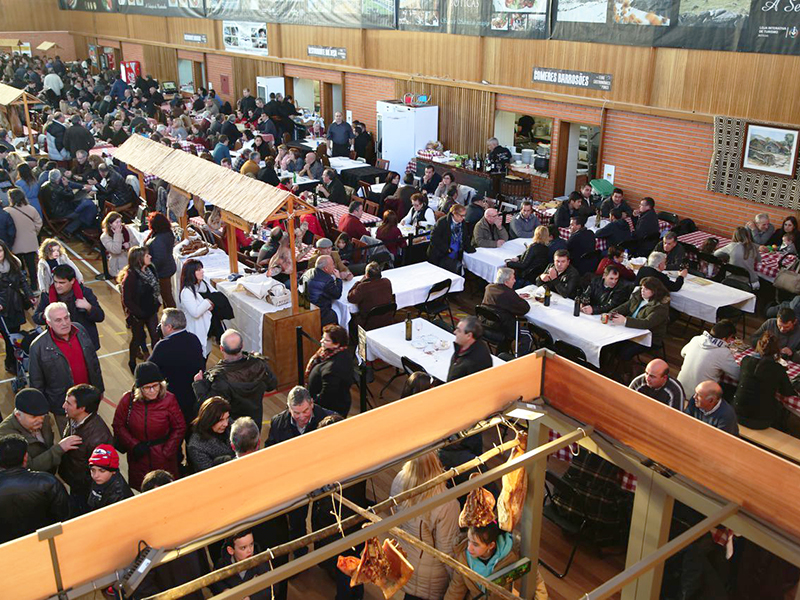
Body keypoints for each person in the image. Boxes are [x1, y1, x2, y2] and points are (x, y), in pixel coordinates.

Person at [390, 452, 460, 600]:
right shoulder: (446, 503)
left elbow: (395, 517)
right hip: (431, 576)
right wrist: (458, 581)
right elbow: (446, 550)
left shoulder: (399, 480)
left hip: (406, 560)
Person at [29, 303, 104, 433]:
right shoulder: (38, 347)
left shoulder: (80, 330)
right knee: (70, 441)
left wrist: (100, 389)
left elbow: (93, 362)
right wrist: (41, 411)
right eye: (58, 320)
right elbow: (36, 383)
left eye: (66, 317)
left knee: (91, 434)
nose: (64, 323)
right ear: (48, 322)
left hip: (88, 398)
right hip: (62, 405)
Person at [113, 362, 186, 491]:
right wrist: (133, 445)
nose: (152, 391)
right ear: (139, 388)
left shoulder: (169, 400)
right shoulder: (127, 400)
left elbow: (180, 427)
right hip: (138, 457)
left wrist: (167, 451)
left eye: (155, 386)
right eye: (147, 387)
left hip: (163, 458)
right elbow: (118, 425)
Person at [193, 329, 277, 428]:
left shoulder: (220, 379)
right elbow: (272, 385)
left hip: (232, 427)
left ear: (221, 348)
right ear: (242, 346)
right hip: (254, 422)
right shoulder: (259, 365)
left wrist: (198, 384)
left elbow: (210, 407)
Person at [0, 433, 69, 544]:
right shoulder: (47, 482)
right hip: (47, 544)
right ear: (26, 457)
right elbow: (65, 516)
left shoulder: (47, 482)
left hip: (7, 552)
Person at [59, 384, 113, 513]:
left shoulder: (99, 437)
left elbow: (100, 474)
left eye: (68, 403)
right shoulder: (74, 419)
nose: (63, 406)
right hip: (75, 483)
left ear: (82, 408)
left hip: (85, 491)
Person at [0, 388, 81, 474]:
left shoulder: (43, 417)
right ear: (18, 415)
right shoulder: (5, 435)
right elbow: (27, 468)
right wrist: (59, 448)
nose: (40, 420)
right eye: (34, 417)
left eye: (42, 415)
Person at [150, 308, 206, 426]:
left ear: (169, 327)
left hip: (173, 400)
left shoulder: (163, 346)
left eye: (162, 324)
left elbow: (149, 370)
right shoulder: (194, 339)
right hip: (193, 396)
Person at [443, 522, 524, 600]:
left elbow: (523, 588)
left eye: (475, 544)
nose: (469, 548)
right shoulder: (464, 559)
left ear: (491, 545)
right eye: (469, 540)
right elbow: (456, 590)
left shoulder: (510, 558)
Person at [33, 263, 104, 350]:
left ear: (72, 281)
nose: (57, 286)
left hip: (84, 342)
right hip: (59, 344)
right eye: (55, 282)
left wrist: (89, 307)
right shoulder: (47, 296)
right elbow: (36, 317)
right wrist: (46, 315)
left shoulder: (85, 293)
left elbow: (100, 316)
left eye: (62, 282)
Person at [733, 331, 795, 430]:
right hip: (760, 420)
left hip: (737, 413)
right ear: (776, 350)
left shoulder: (746, 360)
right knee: (781, 409)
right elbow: (787, 392)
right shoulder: (778, 368)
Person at [119, 246, 162, 373]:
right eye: (146, 255)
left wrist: (157, 303)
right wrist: (138, 313)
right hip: (138, 313)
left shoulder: (151, 268)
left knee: (155, 336)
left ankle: (155, 361)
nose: (150, 257)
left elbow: (156, 286)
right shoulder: (131, 277)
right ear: (139, 259)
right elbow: (127, 300)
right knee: (137, 338)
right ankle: (132, 362)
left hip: (151, 309)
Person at [610, 276, 671, 363]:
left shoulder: (660, 307)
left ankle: (625, 371)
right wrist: (611, 313)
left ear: (654, 291)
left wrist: (625, 320)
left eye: (646, 289)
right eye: (642, 288)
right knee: (612, 343)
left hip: (649, 338)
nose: (642, 290)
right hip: (631, 329)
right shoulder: (639, 295)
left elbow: (647, 323)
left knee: (624, 351)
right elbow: (626, 306)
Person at [677, 320, 740, 396]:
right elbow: (738, 375)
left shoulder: (696, 339)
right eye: (731, 338)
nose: (731, 341)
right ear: (724, 339)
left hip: (679, 389)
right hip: (700, 396)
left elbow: (682, 353)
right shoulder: (723, 352)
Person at [0, 240, 35, 373]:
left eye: (0, 250)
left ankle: (11, 362)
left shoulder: (14, 263)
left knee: (12, 337)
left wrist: (30, 295)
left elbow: (22, 281)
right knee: (7, 336)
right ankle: (10, 361)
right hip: (2, 309)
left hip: (14, 305)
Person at [305, 324, 354, 417]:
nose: (321, 341)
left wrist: (313, 407)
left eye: (326, 340)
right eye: (322, 338)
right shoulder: (332, 352)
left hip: (330, 410)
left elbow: (327, 395)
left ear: (337, 344)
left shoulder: (333, 367)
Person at [209, 530, 272, 600]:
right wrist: (224, 590)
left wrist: (251, 598)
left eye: (251, 544)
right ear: (231, 550)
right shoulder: (223, 564)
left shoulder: (260, 561)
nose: (249, 551)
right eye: (243, 548)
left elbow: (273, 586)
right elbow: (215, 583)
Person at [266, 385, 335, 446]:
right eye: (296, 413)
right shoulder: (277, 424)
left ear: (311, 404)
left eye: (305, 411)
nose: (302, 417)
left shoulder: (330, 421)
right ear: (289, 408)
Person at [480, 267, 529, 345]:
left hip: (486, 323)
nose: (515, 281)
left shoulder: (489, 288)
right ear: (506, 282)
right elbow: (525, 309)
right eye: (513, 279)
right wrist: (516, 297)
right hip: (503, 328)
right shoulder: (509, 294)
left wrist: (515, 297)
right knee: (527, 335)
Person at [5, 189, 41, 292]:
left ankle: (22, 289)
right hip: (30, 242)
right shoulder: (31, 209)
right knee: (32, 266)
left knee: (18, 268)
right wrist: (33, 233)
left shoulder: (7, 211)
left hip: (15, 243)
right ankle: (34, 287)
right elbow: (39, 223)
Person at [187, 396, 235, 472]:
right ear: (209, 419)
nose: (226, 424)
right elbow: (209, 473)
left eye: (227, 418)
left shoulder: (232, 426)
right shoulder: (196, 446)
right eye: (221, 420)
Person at [178, 258, 214, 356]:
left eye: (201, 269)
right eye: (198, 270)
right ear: (191, 273)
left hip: (203, 330)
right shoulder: (186, 292)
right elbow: (195, 312)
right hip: (195, 331)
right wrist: (207, 302)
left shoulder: (198, 286)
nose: (202, 271)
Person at [347, 261, 394, 332]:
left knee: (351, 319)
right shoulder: (387, 282)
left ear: (366, 274)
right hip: (387, 319)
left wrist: (359, 282)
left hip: (369, 323)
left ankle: (354, 341)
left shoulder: (363, 287)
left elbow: (351, 298)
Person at [428, 204, 474, 275]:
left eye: (464, 215)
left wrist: (469, 248)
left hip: (456, 253)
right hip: (441, 254)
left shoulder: (462, 223)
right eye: (461, 216)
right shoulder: (442, 222)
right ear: (454, 214)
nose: (463, 218)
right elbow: (434, 238)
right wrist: (446, 249)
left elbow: (465, 237)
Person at [86, 444, 134, 511]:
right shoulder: (100, 480)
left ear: (113, 471)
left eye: (102, 471)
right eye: (92, 470)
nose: (96, 475)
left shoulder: (120, 496)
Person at [145, 212, 177, 309]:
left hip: (162, 271)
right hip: (168, 267)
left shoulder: (158, 240)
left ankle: (173, 316)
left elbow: (159, 259)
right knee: (166, 295)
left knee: (167, 296)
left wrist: (150, 270)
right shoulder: (167, 233)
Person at [447, 317, 493, 382]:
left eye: (459, 330)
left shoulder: (475, 362)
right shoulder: (463, 345)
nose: (455, 332)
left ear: (469, 336)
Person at [302, 255, 343, 326]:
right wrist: (338, 279)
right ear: (326, 268)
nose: (334, 266)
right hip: (320, 313)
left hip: (306, 307)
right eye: (332, 264)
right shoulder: (327, 280)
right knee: (338, 313)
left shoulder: (308, 272)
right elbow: (337, 295)